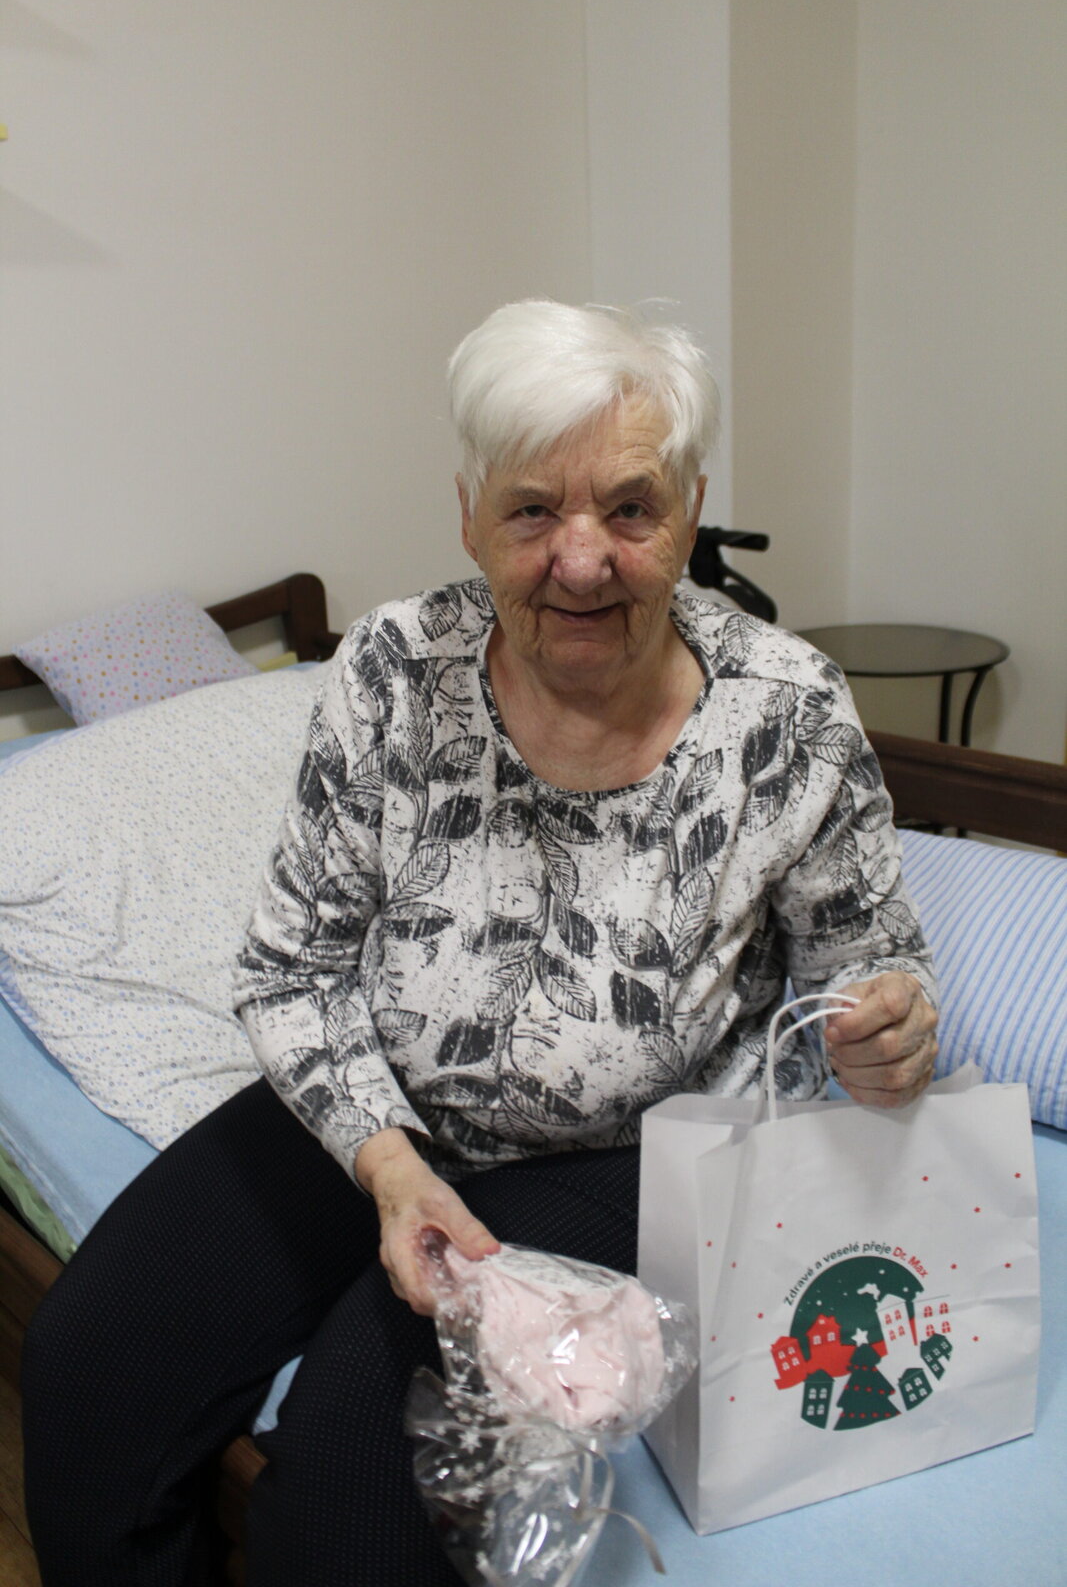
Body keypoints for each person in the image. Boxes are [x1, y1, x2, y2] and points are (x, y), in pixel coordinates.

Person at [21, 300, 938, 1586]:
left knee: (349, 1496)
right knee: (89, 1368)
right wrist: (388, 1166)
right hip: (371, 1103)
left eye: (630, 508)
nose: (582, 559)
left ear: (689, 509)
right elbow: (289, 969)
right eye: (531, 510)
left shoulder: (786, 715)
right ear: (468, 516)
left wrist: (887, 1030)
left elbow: (868, 965)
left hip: (622, 1151)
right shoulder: (394, 668)